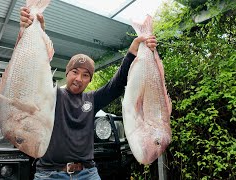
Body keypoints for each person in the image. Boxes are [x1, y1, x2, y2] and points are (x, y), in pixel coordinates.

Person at [19, 7, 158, 180]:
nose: (78, 78)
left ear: (90, 80)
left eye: (85, 75)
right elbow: (35, 72)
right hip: (49, 173)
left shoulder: (92, 99)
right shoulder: (51, 95)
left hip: (87, 173)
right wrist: (33, 31)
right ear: (67, 73)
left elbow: (116, 85)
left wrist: (133, 51)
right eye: (75, 72)